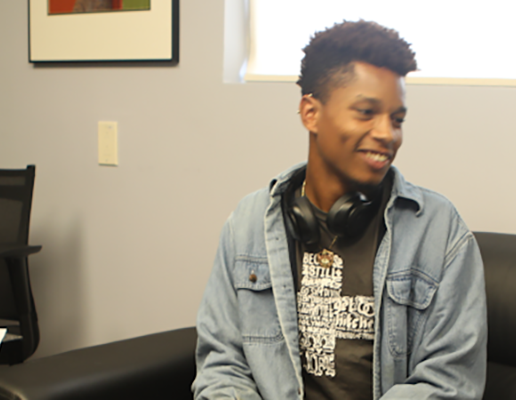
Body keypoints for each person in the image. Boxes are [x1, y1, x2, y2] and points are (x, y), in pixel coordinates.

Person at [193, 20, 486, 400]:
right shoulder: (247, 225)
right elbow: (222, 366)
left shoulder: (439, 231)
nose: (387, 134)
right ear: (310, 113)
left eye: (397, 120)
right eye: (366, 112)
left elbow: (450, 384)